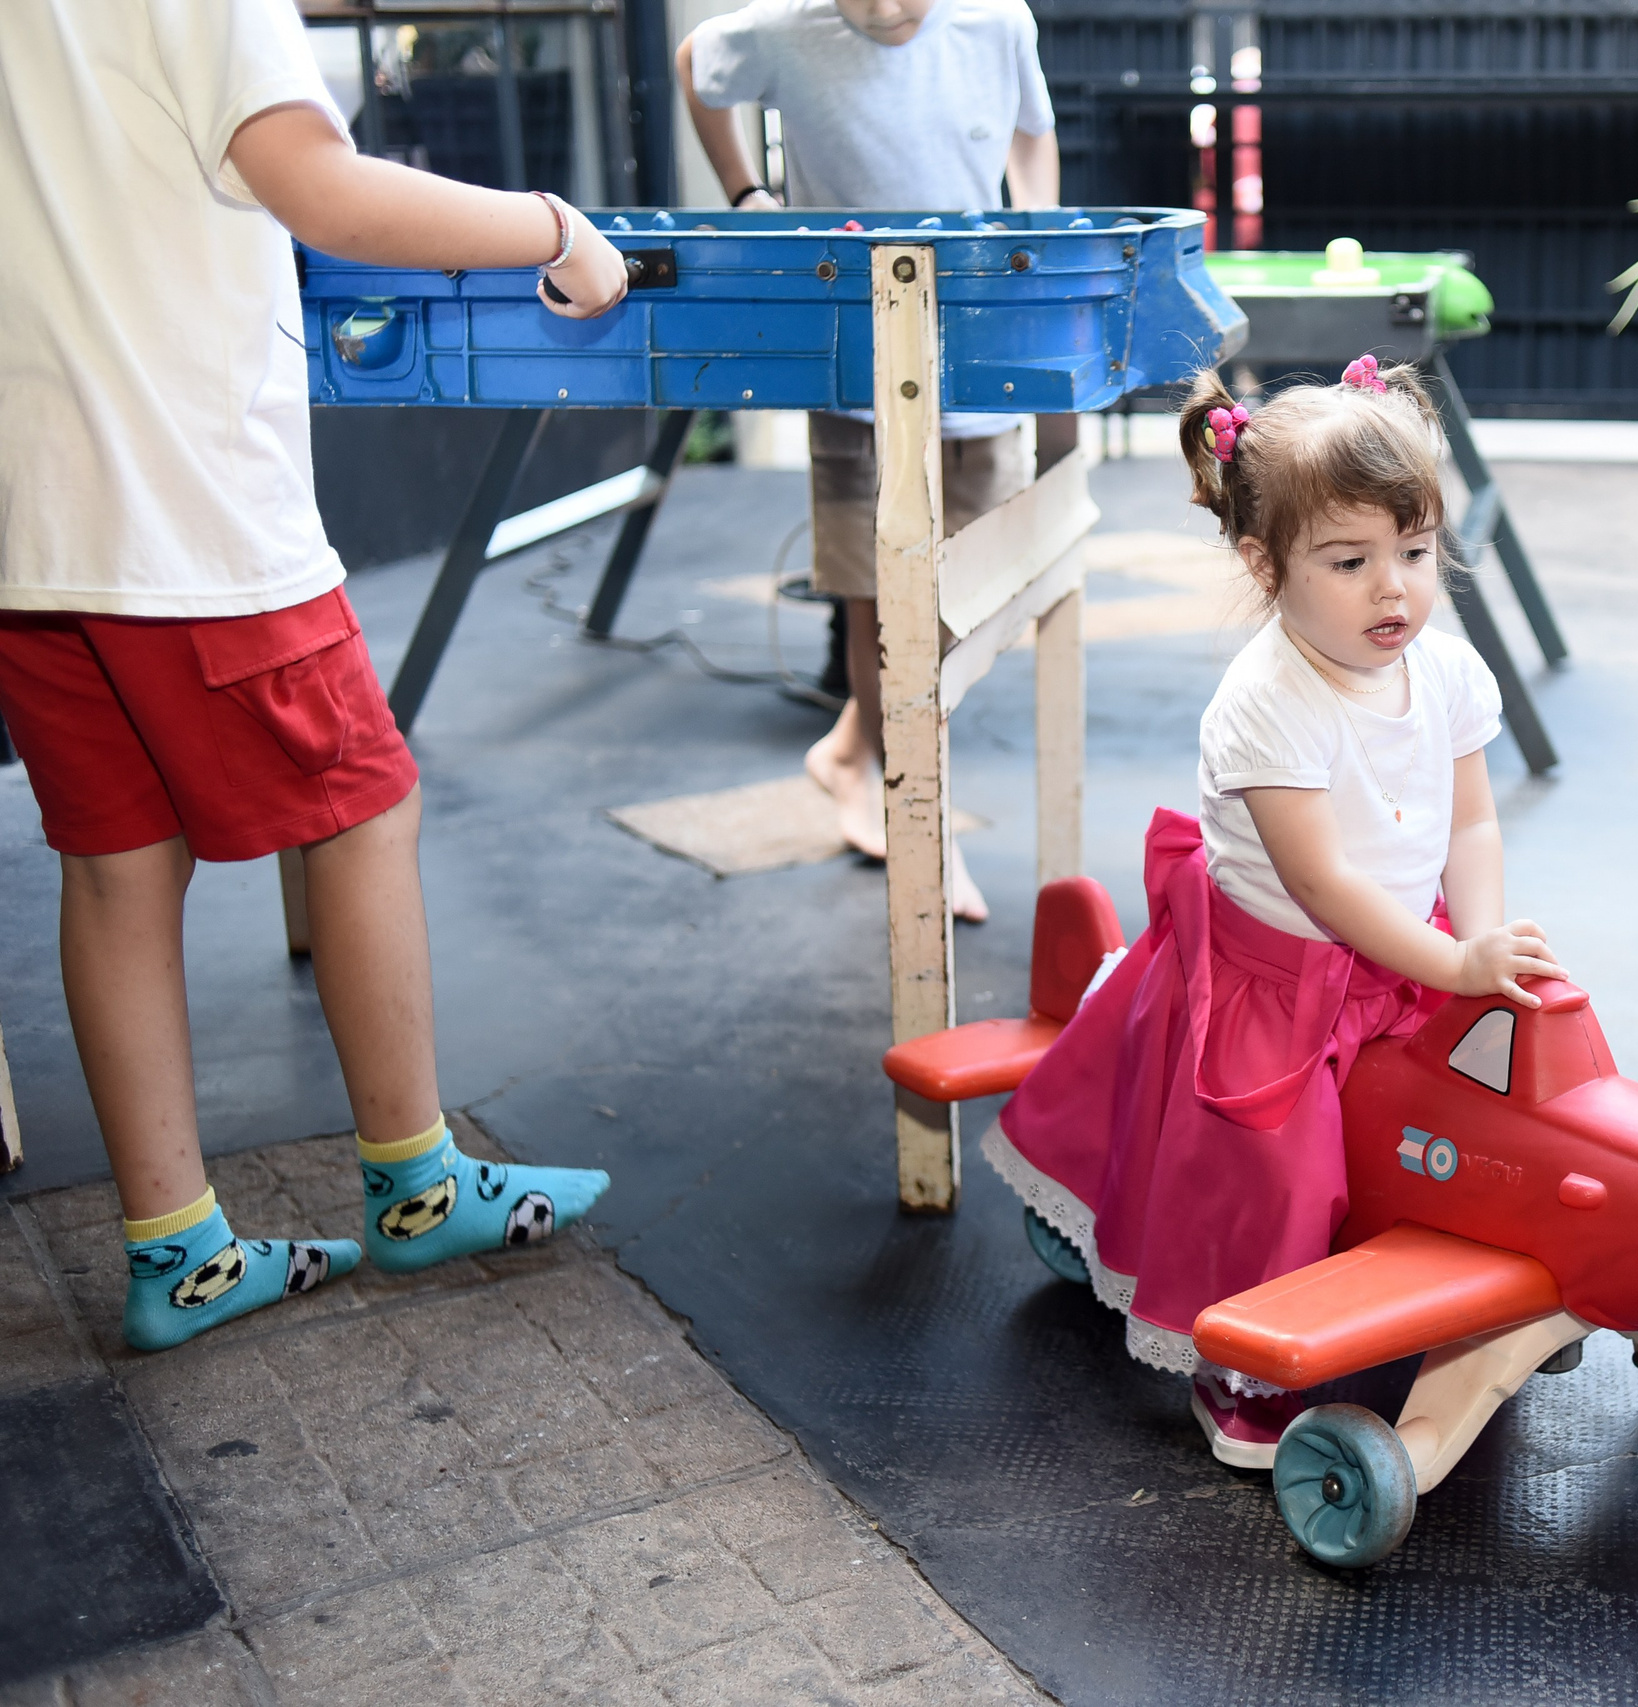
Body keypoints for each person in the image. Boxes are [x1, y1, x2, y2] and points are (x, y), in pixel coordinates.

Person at [0, 0, 623, 1351]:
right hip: (193, 511)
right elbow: (318, 187)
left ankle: (180, 1250)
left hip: (32, 520)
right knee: (363, 808)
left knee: (114, 865)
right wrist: (558, 230)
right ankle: (418, 1182)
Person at [984, 357, 1567, 1465]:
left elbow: (1471, 826)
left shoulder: (1442, 671)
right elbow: (1325, 886)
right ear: (1265, 563)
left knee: (1482, 1106)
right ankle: (1240, 1365)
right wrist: (1449, 965)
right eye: (1349, 562)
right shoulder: (1265, 703)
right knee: (1275, 1166)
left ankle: (1468, 1274)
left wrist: (1478, 949)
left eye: (1413, 550)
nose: (1392, 588)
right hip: (1283, 972)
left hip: (1402, 951)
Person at [678, 0, 1061, 922]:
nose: (886, 10)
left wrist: (1032, 228)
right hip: (854, 353)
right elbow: (695, 62)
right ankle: (916, 819)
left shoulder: (997, 22)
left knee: (970, 597)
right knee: (877, 595)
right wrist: (744, 193)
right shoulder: (788, 30)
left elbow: (1033, 134)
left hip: (972, 349)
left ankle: (853, 745)